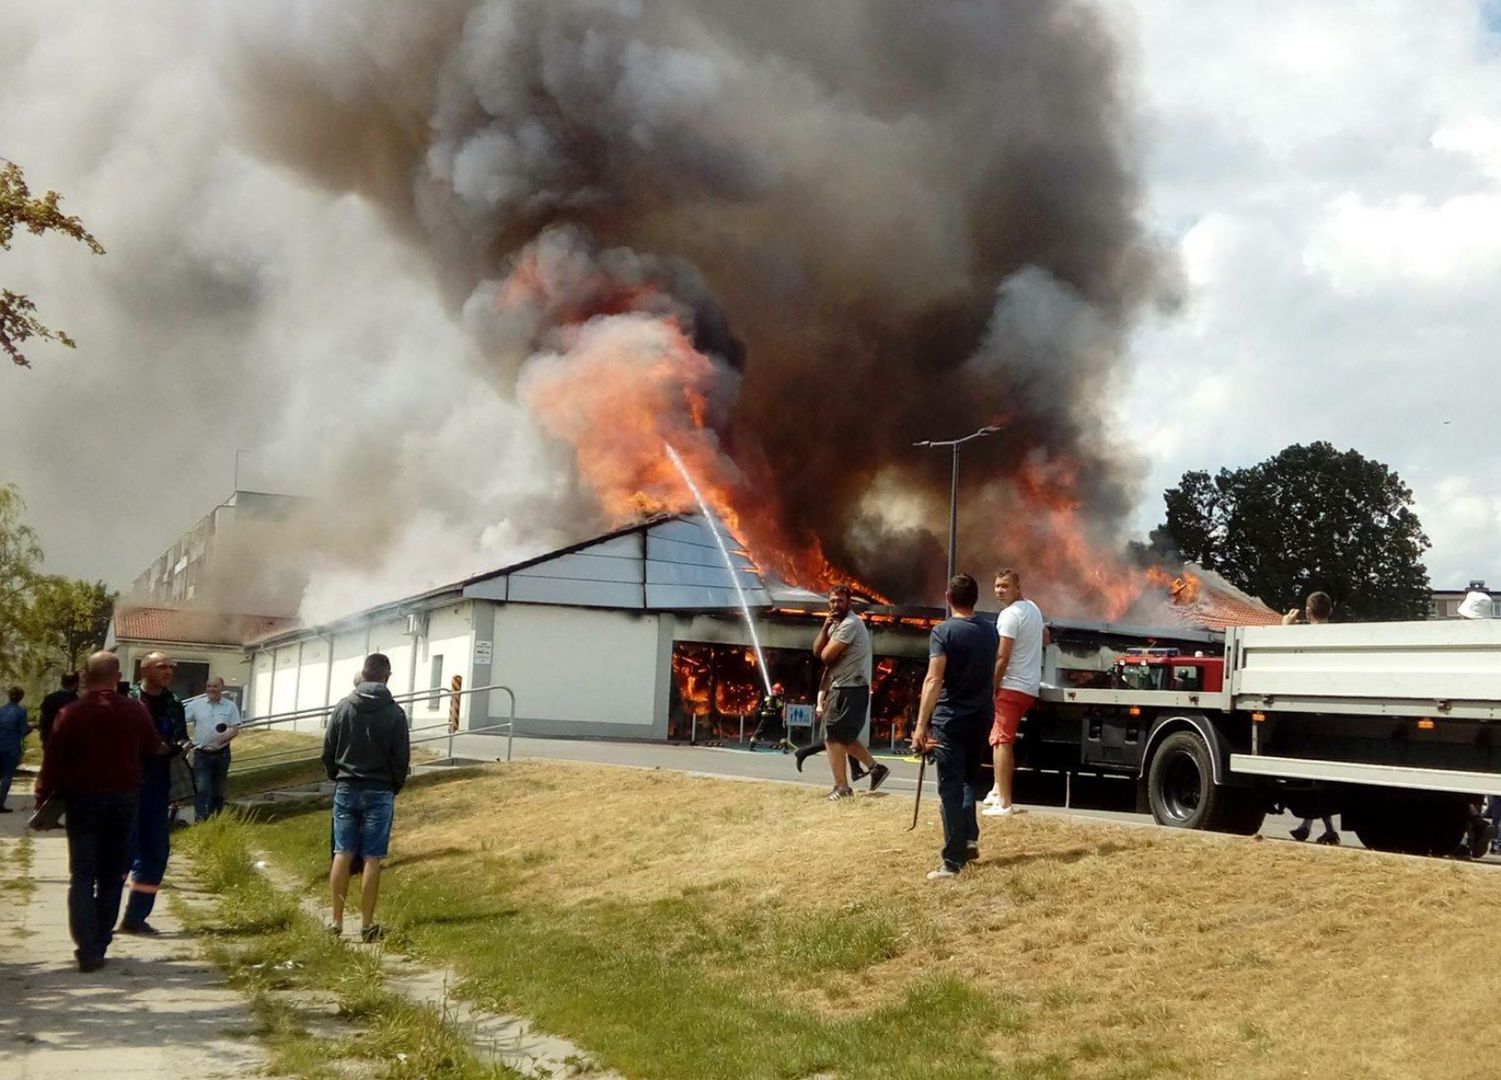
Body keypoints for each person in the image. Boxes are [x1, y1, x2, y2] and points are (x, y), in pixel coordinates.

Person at [35, 652, 171, 971]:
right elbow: (152, 746)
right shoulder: (134, 710)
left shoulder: (71, 713)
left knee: (81, 875)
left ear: (85, 676)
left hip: (83, 801)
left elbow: (53, 761)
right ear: (117, 676)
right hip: (124, 799)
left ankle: (86, 947)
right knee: (112, 874)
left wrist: (43, 800)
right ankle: (100, 942)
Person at [911, 574, 1000, 879]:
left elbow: (934, 679)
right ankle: (969, 838)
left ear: (948, 597)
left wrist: (921, 726)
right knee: (967, 781)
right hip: (981, 716)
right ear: (975, 598)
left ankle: (952, 860)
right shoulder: (991, 631)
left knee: (950, 787)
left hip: (950, 719)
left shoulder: (943, 632)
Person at [324, 653, 410, 942]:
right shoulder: (396, 713)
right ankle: (367, 924)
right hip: (380, 789)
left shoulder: (343, 706)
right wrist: (393, 785)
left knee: (342, 852)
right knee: (373, 857)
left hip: (347, 787)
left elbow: (328, 750)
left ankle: (335, 921)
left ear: (363, 674)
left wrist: (336, 775)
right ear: (387, 676)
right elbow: (402, 758)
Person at [120, 651, 190, 935]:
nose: (169, 671)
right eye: (162, 666)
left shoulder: (174, 703)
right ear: (144, 669)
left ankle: (135, 916)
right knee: (124, 851)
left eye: (172, 667)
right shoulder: (128, 699)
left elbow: (180, 735)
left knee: (157, 852)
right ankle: (102, 912)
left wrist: (180, 745)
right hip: (127, 784)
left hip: (158, 785)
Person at [809, 584, 888, 799]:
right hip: (841, 686)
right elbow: (817, 650)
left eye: (840, 601)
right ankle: (875, 768)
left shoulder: (850, 624)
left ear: (848, 603)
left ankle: (842, 787)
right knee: (844, 735)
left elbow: (826, 656)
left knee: (832, 737)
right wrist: (825, 628)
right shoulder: (836, 624)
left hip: (849, 688)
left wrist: (829, 634)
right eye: (832, 601)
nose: (835, 605)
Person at [982, 569, 1046, 818]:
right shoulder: (1033, 608)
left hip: (1011, 686)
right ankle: (997, 790)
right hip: (1029, 687)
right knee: (1000, 738)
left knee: (1001, 741)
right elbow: (1046, 638)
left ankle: (1005, 804)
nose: (999, 590)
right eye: (997, 586)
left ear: (1018, 587)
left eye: (1005, 586)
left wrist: (993, 686)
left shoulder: (1008, 616)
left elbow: (1002, 655)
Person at [1282, 592, 1340, 844]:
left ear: (1307, 612)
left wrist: (1285, 630)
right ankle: (1313, 827)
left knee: (1313, 777)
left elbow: (1283, 659)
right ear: (1331, 611)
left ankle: (1321, 828)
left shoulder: (1304, 636)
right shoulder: (1337, 637)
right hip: (1330, 712)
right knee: (1319, 775)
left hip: (1306, 713)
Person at [186, 676, 242, 821]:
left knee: (218, 790)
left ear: (221, 688)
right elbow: (180, 720)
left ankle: (215, 819)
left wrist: (220, 741)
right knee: (202, 788)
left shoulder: (230, 706)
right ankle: (201, 819)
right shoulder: (196, 705)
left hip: (222, 754)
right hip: (202, 754)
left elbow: (235, 728)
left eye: (215, 686)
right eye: (209, 686)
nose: (212, 689)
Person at [0, 686, 30, 813]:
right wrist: (31, 728)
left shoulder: (1, 710)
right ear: (21, 697)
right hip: (11, 746)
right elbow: (23, 730)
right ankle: (0, 802)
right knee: (7, 775)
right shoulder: (21, 711)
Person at [39, 672, 80, 747]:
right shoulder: (76, 701)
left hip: (50, 740)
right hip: (68, 743)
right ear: (76, 684)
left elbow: (43, 719)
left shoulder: (49, 698)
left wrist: (44, 737)